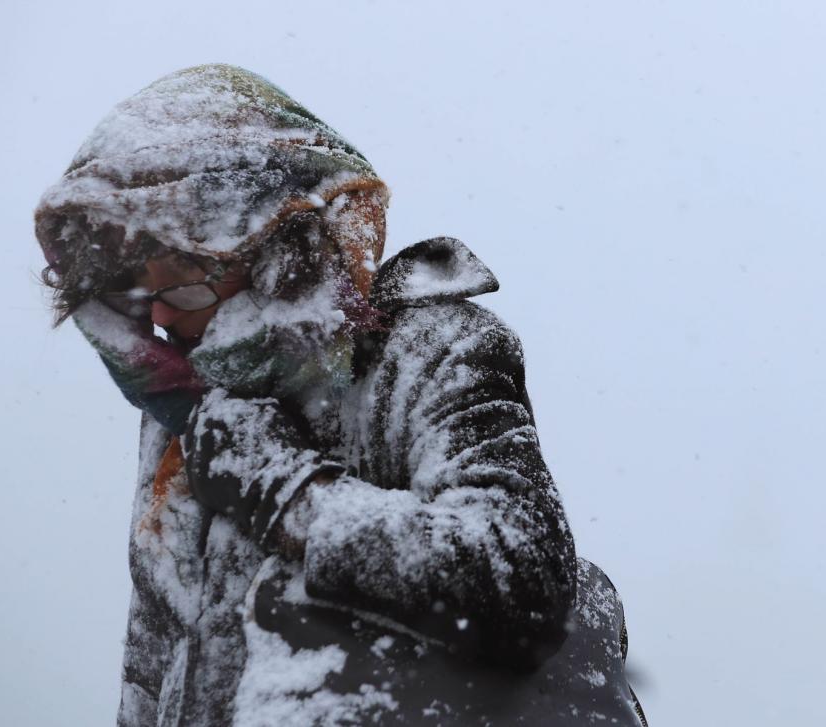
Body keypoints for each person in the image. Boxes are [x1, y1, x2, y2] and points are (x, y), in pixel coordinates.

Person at [35, 64, 646, 726]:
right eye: (144, 294)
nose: (163, 319)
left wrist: (283, 486)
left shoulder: (431, 346)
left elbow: (519, 574)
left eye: (181, 287)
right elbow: (152, 665)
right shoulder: (182, 427)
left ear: (276, 247)